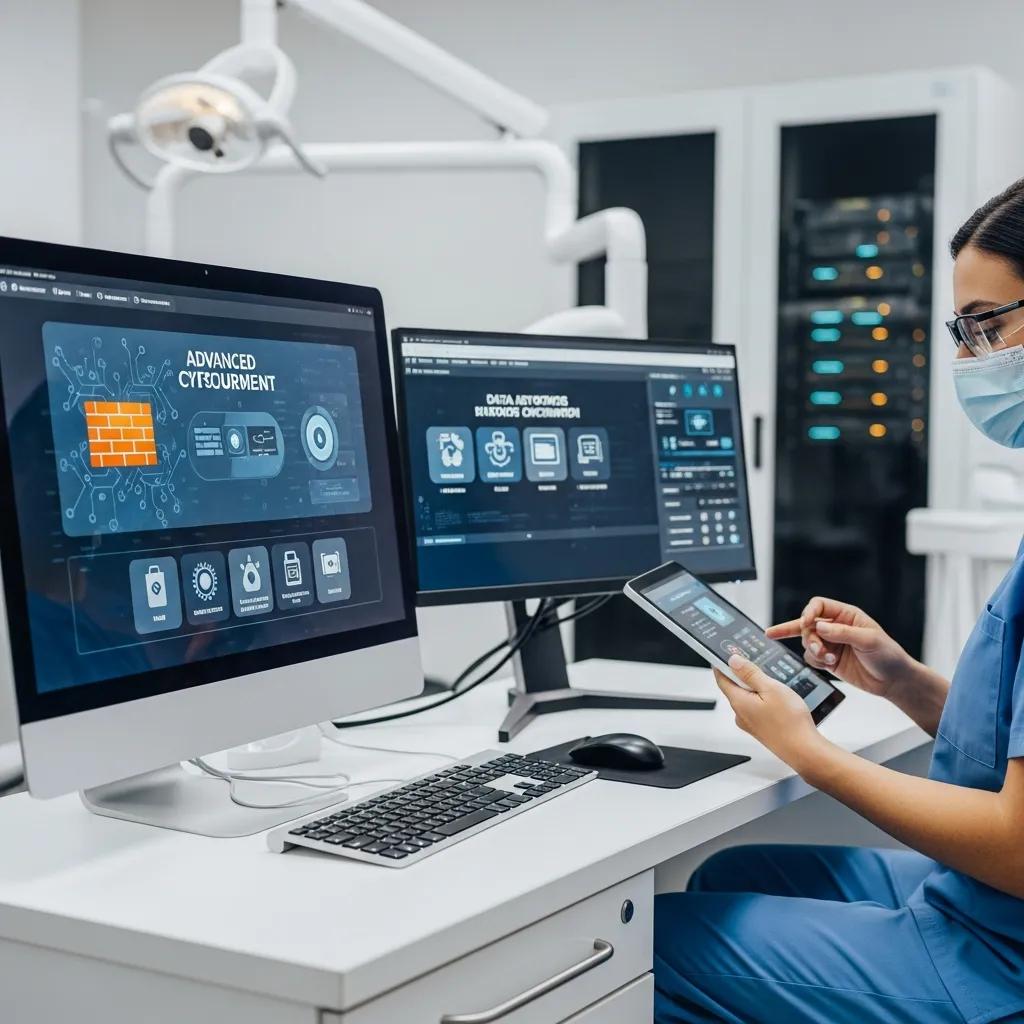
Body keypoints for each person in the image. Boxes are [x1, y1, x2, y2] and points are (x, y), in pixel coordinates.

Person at [654, 179, 1024, 1024]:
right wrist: (902, 681)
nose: (968, 358)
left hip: (1006, 959)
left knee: (659, 946)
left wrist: (807, 752)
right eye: (959, 333)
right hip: (987, 907)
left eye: (985, 325)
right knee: (727, 876)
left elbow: (1019, 845)